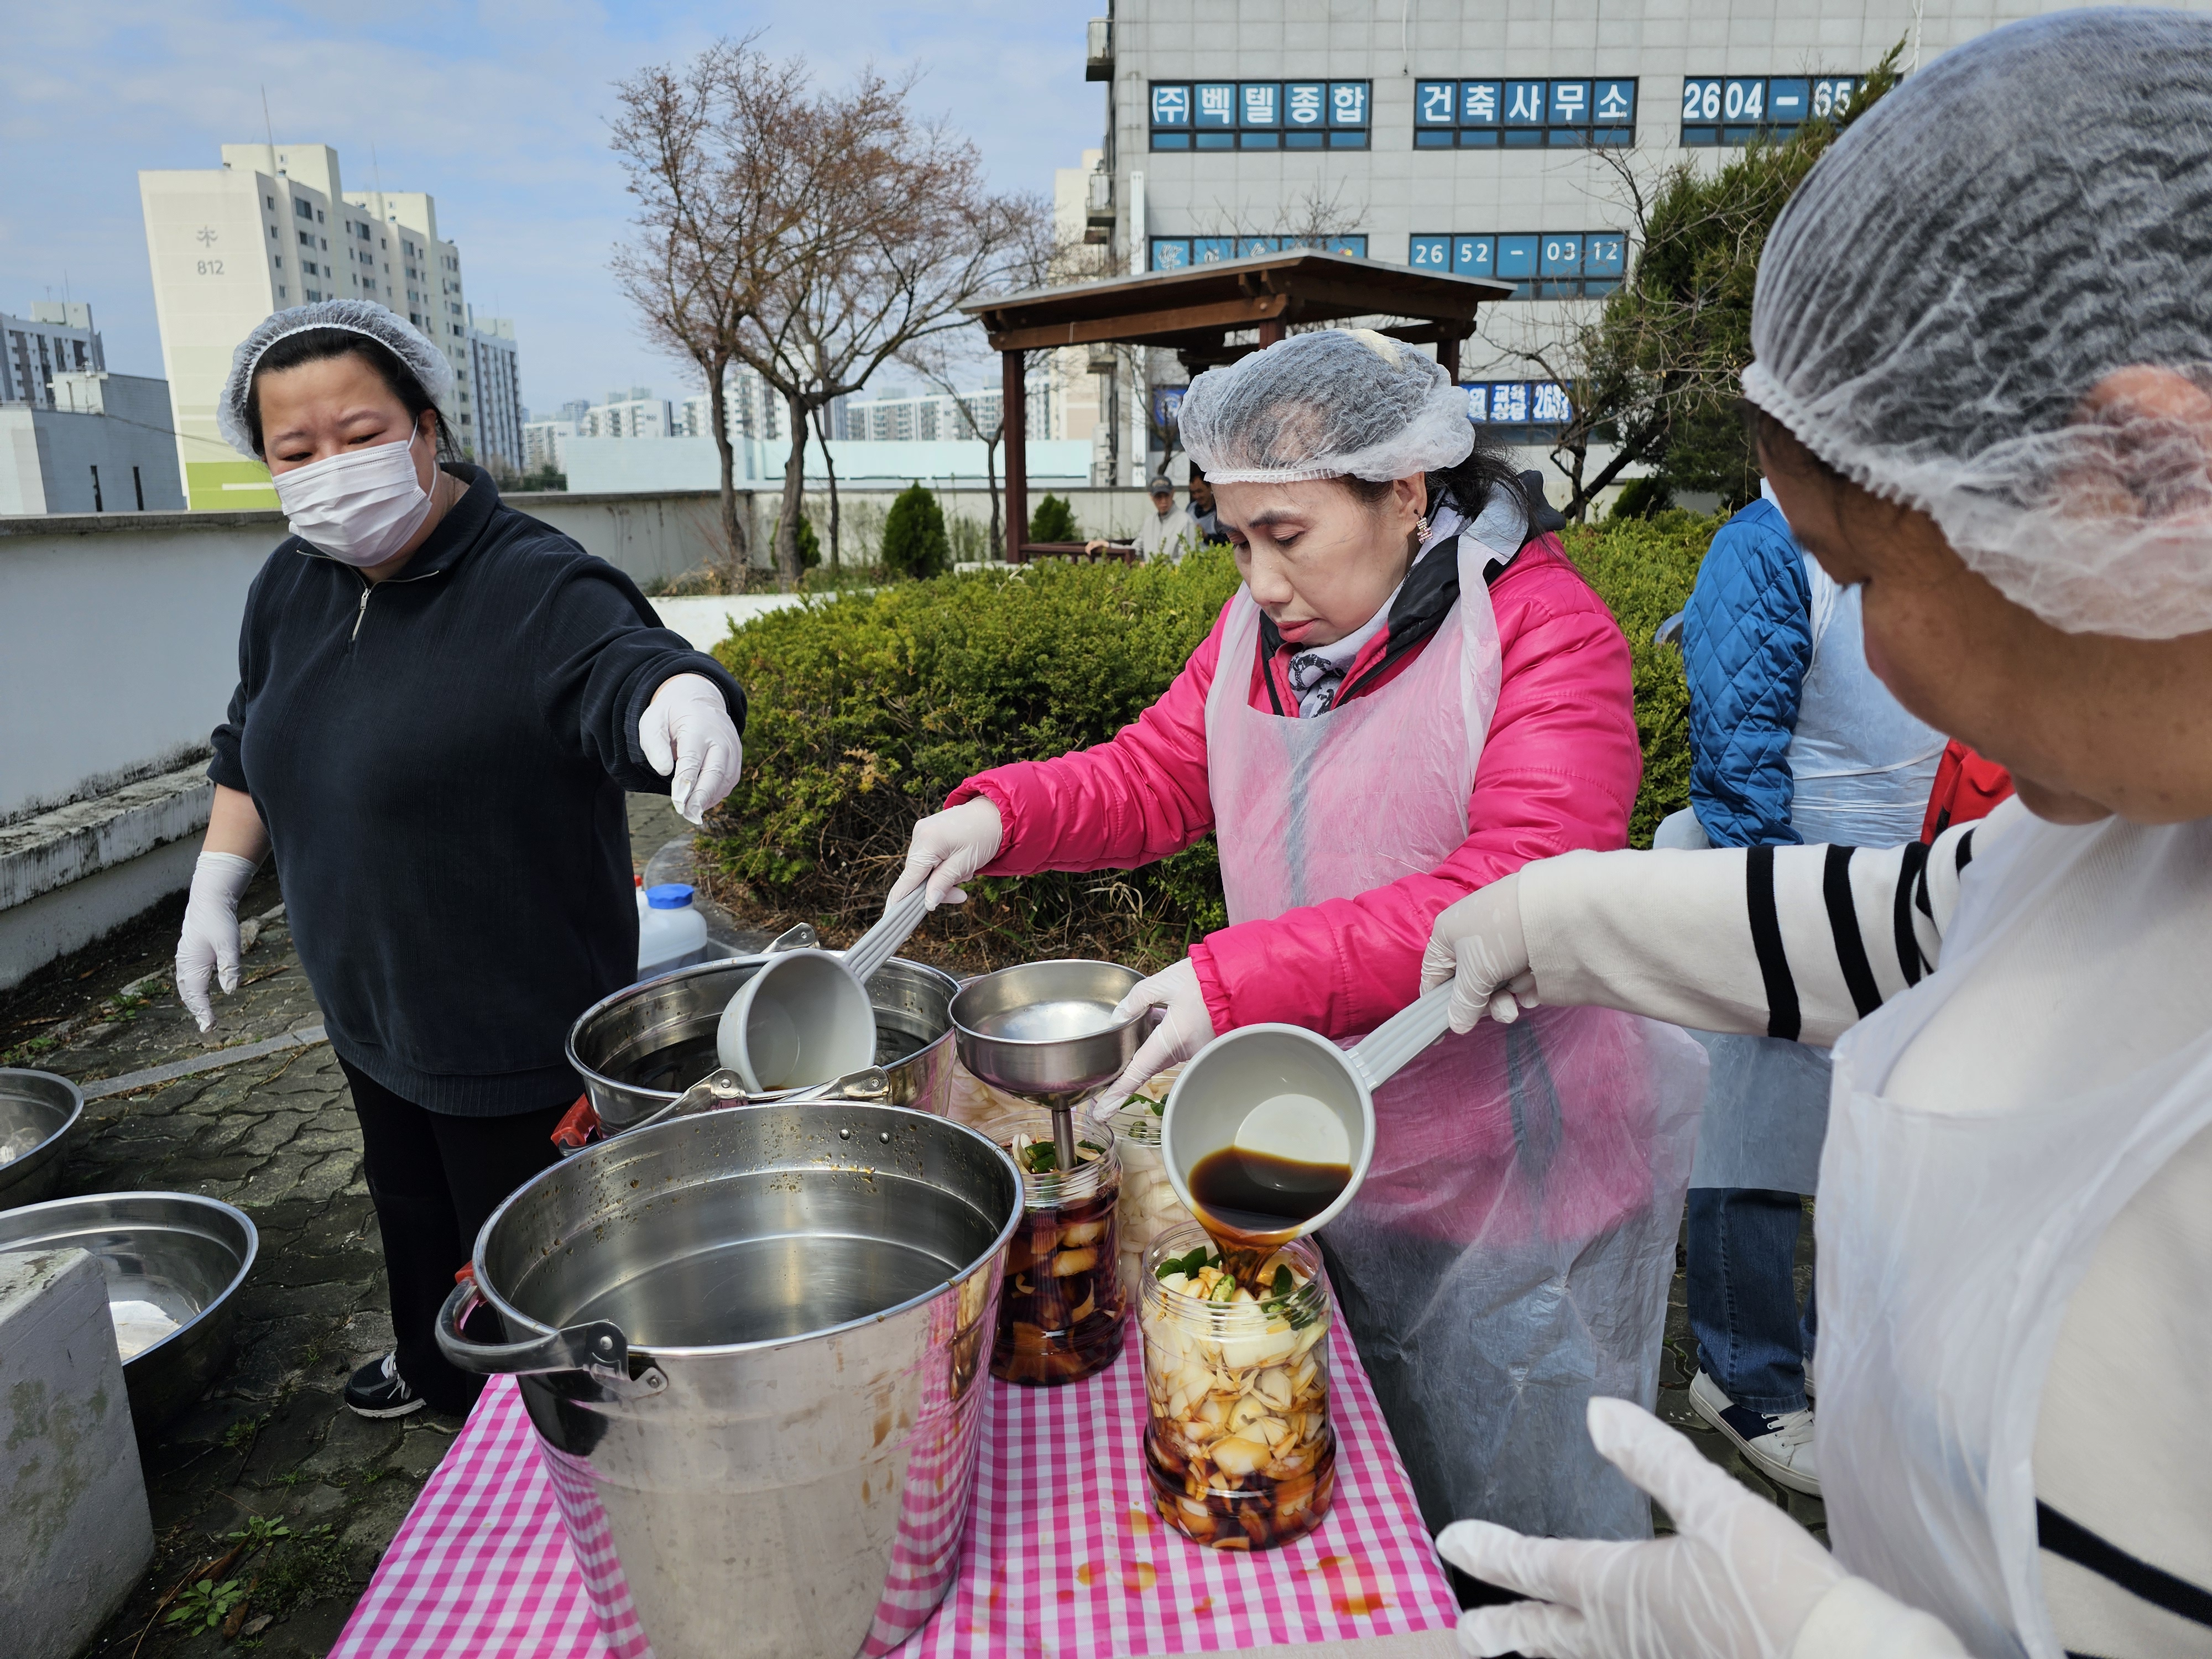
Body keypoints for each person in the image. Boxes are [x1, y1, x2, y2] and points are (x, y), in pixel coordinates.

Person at [1422, 15, 2212, 1655]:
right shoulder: (2130, 831)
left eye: (1857, 574)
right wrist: (1552, 916)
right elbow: (1905, 919)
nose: (1868, 646)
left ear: (2140, 471)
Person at [890, 326, 1705, 1546]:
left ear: (1404, 492)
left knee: (1523, 1527)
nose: (1259, 582)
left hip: (1518, 1173)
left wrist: (1237, 980)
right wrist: (998, 815)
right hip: (1339, 1145)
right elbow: (1156, 773)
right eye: (1234, 539)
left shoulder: (1541, 630)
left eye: (1287, 537)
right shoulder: (1259, 641)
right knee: (1364, 1480)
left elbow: (1517, 886)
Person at [174, 301, 746, 1421]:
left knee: (535, 1271)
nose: (329, 470)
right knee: (410, 1212)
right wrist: (215, 883)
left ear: (427, 427)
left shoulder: (530, 582)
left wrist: (679, 694)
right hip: (368, 1009)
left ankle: (571, 1440)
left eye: (358, 433)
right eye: (295, 452)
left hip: (513, 1040)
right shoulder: (289, 586)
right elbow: (250, 739)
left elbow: (621, 667)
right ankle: (434, 1377)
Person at [1672, 479, 1941, 1495]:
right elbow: (1738, 762)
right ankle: (1743, 1378)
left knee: (1873, 1137)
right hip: (1781, 883)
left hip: (1904, 887)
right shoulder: (1767, 549)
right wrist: (1788, 921)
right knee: (1756, 1133)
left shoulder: (1916, 521)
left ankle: (1843, 1368)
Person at [1130, 473, 1201, 561]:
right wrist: (1109, 546)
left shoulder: (1185, 521)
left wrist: (1154, 566)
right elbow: (1134, 551)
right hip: (1147, 574)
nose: (1163, 501)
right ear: (1151, 497)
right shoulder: (1149, 522)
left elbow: (1188, 560)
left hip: (1174, 575)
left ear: (1173, 493)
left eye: (1166, 495)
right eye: (1159, 497)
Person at [1188, 465, 1227, 544]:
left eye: (1200, 491)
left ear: (1210, 487)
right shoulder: (1190, 509)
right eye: (1193, 493)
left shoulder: (1220, 511)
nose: (1197, 496)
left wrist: (1207, 536)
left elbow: (1228, 541)